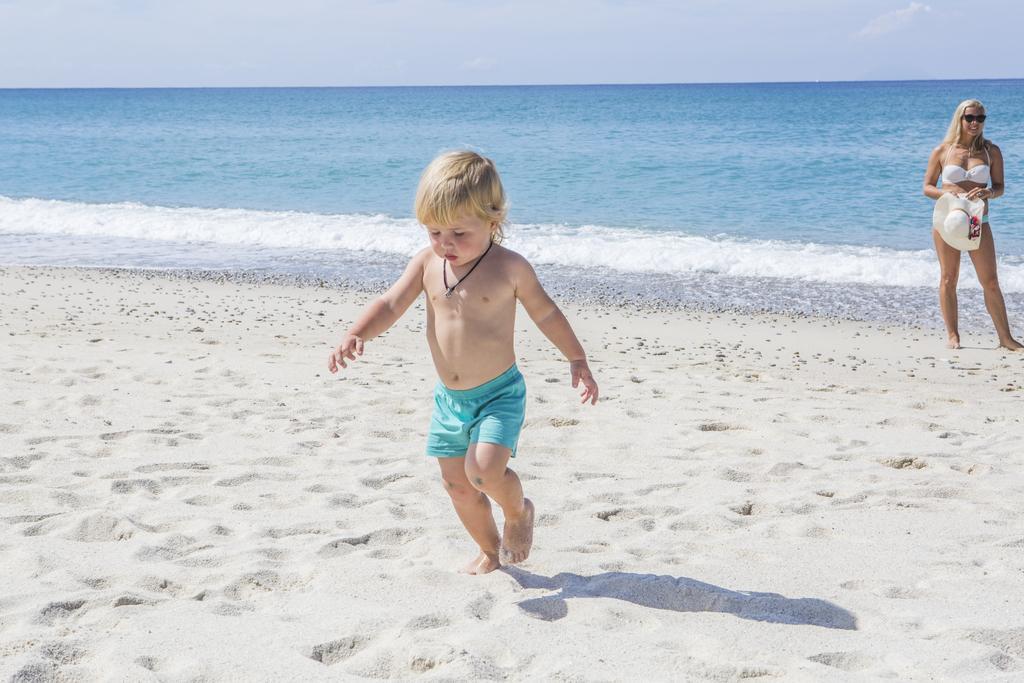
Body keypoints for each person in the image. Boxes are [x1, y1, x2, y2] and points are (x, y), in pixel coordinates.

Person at [328, 151, 599, 574]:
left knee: (484, 471)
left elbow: (546, 313)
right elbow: (390, 303)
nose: (445, 244)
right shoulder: (426, 263)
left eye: (458, 232)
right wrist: (357, 332)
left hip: (498, 394)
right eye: (434, 231)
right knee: (457, 486)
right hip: (449, 400)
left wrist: (576, 357)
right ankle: (492, 553)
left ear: (493, 222)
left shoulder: (509, 268)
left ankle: (517, 512)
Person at [923, 99, 1023, 351]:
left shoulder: (991, 151)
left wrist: (989, 193)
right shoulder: (942, 151)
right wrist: (947, 195)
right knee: (948, 277)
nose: (975, 123)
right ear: (960, 119)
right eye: (970, 118)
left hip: (978, 221)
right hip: (948, 220)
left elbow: (1000, 187)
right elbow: (927, 187)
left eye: (980, 118)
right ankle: (953, 335)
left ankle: (1005, 338)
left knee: (990, 281)